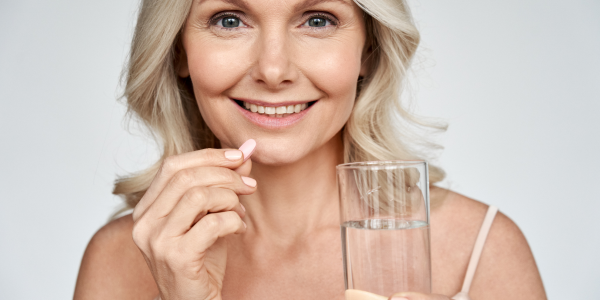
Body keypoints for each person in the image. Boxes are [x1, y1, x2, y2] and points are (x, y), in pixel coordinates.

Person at [73, 0, 547, 299]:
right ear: (178, 51)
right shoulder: (119, 262)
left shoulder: (479, 252)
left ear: (368, 50)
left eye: (317, 20)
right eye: (229, 20)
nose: (273, 69)